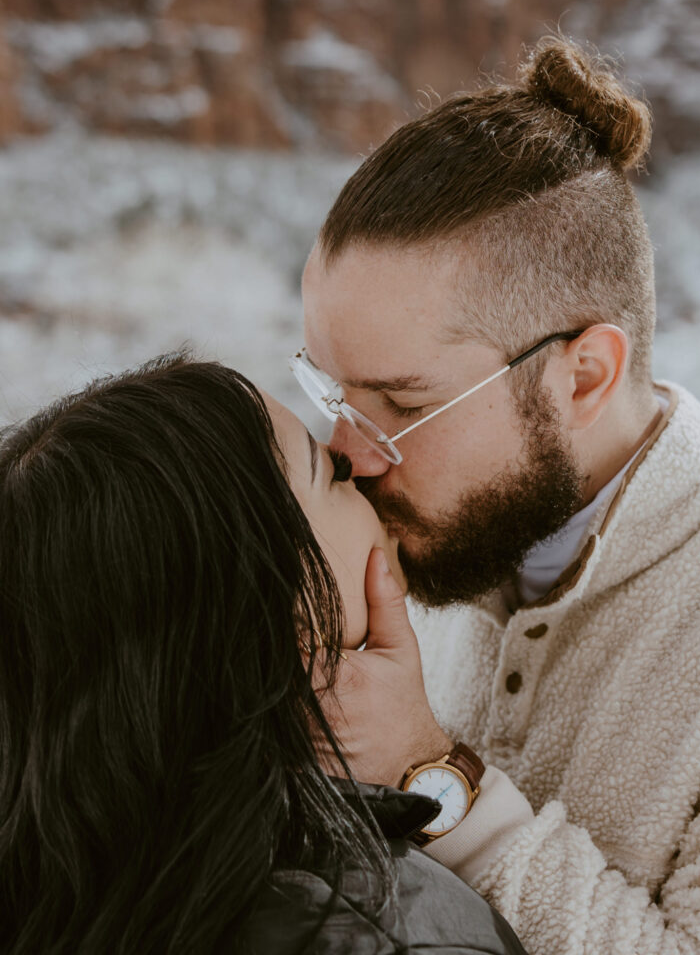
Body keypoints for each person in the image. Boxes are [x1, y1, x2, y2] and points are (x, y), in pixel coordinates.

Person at [292, 34, 700, 954]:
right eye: (331, 392)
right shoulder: (437, 537)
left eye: (401, 403)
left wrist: (433, 773)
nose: (348, 456)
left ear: (583, 376)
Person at [0, 354, 526, 955]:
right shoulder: (385, 931)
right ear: (265, 601)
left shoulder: (63, 872)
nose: (369, 471)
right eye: (334, 471)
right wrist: (428, 764)